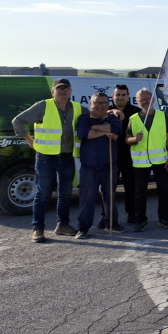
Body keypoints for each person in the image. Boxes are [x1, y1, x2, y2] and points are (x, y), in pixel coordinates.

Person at [13, 79, 86, 243]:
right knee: (43, 193)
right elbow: (18, 121)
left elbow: (95, 115)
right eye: (59, 89)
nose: (62, 91)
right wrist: (30, 141)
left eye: (65, 89)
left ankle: (63, 225)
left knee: (66, 193)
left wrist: (113, 113)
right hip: (46, 157)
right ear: (53, 91)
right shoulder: (43, 105)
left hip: (66, 156)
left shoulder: (77, 108)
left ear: (70, 92)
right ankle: (37, 228)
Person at [74, 93, 122, 239]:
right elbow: (85, 134)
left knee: (110, 196)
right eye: (97, 102)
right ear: (91, 103)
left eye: (103, 103)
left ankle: (111, 224)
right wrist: (105, 131)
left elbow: (116, 129)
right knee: (87, 198)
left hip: (110, 164)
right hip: (89, 166)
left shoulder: (113, 118)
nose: (100, 105)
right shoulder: (83, 118)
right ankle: (83, 227)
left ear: (108, 105)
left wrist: (95, 128)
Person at [127, 88, 168, 232]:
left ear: (153, 99)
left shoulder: (162, 116)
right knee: (140, 192)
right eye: (142, 99)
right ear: (137, 101)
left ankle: (164, 218)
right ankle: (141, 220)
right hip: (141, 163)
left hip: (160, 161)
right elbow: (127, 139)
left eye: (148, 98)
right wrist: (135, 139)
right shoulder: (133, 119)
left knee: (164, 190)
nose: (145, 101)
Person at [111, 84, 141, 224]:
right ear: (113, 96)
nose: (120, 97)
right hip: (110, 156)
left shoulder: (136, 113)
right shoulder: (105, 110)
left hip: (130, 156)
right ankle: (107, 216)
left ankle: (132, 214)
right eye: (118, 95)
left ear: (128, 97)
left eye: (123, 95)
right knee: (109, 189)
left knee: (131, 187)